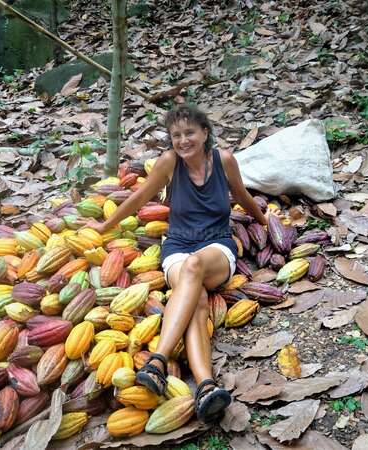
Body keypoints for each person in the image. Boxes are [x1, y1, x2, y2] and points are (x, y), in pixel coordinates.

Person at [85, 104, 266, 423]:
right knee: (194, 299)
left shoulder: (224, 160)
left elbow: (241, 195)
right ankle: (207, 386)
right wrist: (104, 226)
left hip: (216, 247)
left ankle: (157, 360)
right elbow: (139, 199)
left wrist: (265, 220)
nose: (183, 141)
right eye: (176, 135)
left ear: (205, 133)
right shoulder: (169, 163)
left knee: (195, 268)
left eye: (190, 133)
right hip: (177, 247)